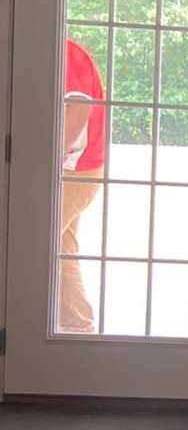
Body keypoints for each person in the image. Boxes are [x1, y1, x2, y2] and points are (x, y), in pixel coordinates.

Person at [60, 37, 107, 332]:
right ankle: (78, 329)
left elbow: (78, 106)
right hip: (77, 169)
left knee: (28, 244)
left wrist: (45, 160)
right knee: (61, 250)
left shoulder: (63, 50)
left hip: (75, 170)